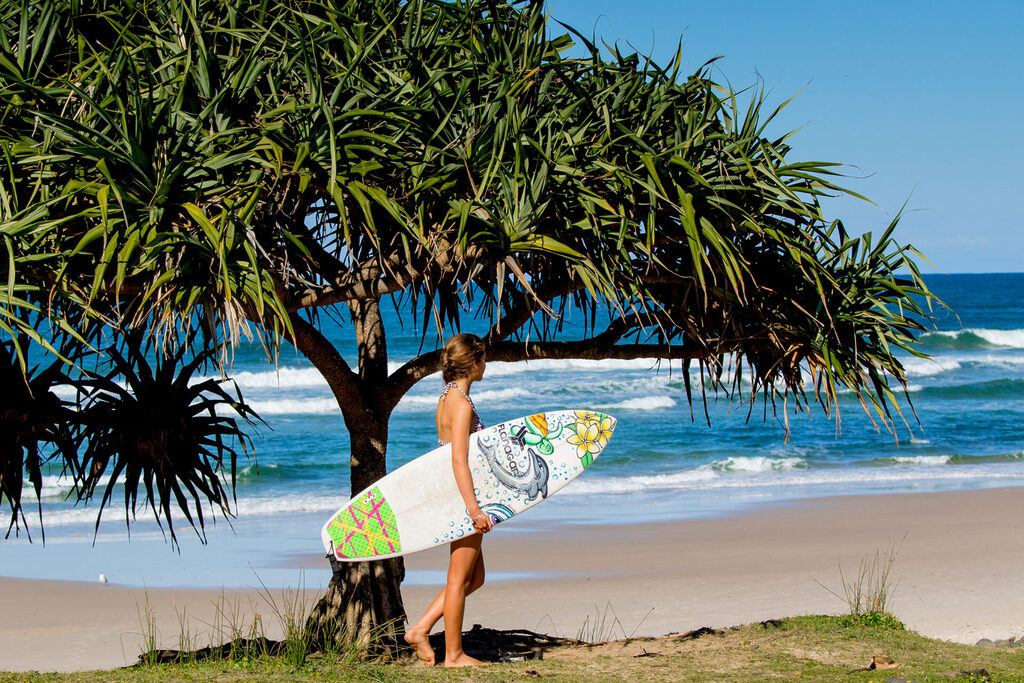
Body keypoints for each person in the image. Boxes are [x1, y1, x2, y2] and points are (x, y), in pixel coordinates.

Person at [404, 333, 493, 667]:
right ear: (473, 362)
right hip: (461, 498)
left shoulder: (446, 397)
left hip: (453, 492)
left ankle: (422, 628)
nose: (486, 366)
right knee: (457, 581)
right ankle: (453, 655)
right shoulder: (462, 404)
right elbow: (459, 459)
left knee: (475, 578)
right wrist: (474, 509)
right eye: (484, 359)